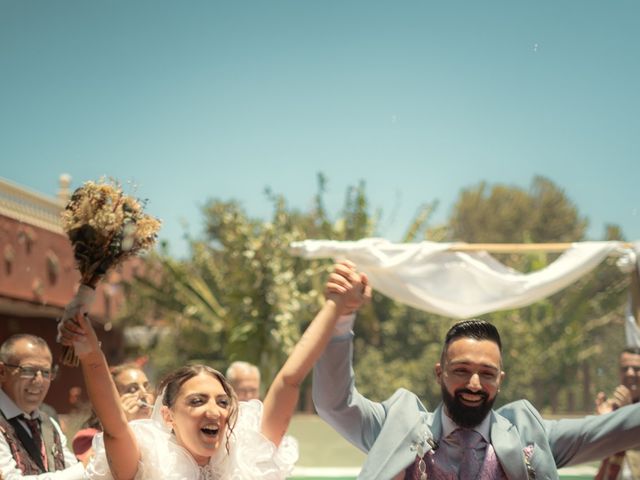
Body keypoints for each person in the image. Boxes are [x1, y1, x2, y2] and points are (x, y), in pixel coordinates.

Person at [313, 261, 640, 480]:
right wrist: (341, 317)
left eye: (486, 373)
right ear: (439, 373)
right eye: (461, 370)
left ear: (500, 380)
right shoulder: (394, 426)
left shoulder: (529, 434)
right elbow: (334, 404)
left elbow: (618, 428)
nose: (474, 383)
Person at [58, 263, 369, 479]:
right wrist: (89, 352)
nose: (215, 411)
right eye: (197, 401)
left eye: (222, 402)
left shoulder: (248, 457)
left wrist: (338, 308)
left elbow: (289, 380)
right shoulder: (145, 462)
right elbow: (113, 424)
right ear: (167, 416)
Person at [0, 334, 85, 479]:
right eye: (28, 370)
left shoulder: (48, 422)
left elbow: (74, 469)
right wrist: (83, 469)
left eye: (46, 372)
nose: (39, 380)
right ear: (2, 372)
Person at [72, 362, 155, 461]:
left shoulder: (163, 431)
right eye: (132, 389)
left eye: (146, 387)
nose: (144, 393)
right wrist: (122, 424)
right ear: (111, 400)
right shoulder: (91, 437)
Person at [594, 347, 640, 480]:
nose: (630, 373)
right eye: (625, 369)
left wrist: (627, 414)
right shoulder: (611, 409)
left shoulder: (623, 410)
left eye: (637, 369)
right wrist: (599, 424)